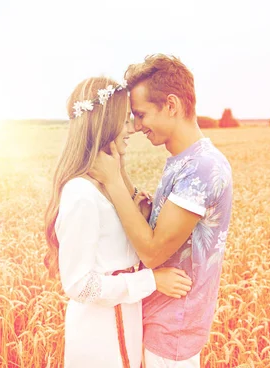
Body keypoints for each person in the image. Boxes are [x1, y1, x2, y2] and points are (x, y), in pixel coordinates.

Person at [89, 54, 233, 367]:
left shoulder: (202, 168)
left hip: (172, 330)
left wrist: (113, 181)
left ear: (171, 105)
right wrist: (124, 174)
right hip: (160, 319)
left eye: (141, 115)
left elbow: (153, 252)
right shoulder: (185, 160)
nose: (137, 127)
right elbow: (163, 232)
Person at [44, 76, 193, 368]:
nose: (132, 129)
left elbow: (116, 253)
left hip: (123, 323)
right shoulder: (81, 193)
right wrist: (151, 281)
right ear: (104, 125)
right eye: (124, 120)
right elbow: (79, 285)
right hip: (99, 338)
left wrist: (144, 213)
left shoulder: (109, 187)